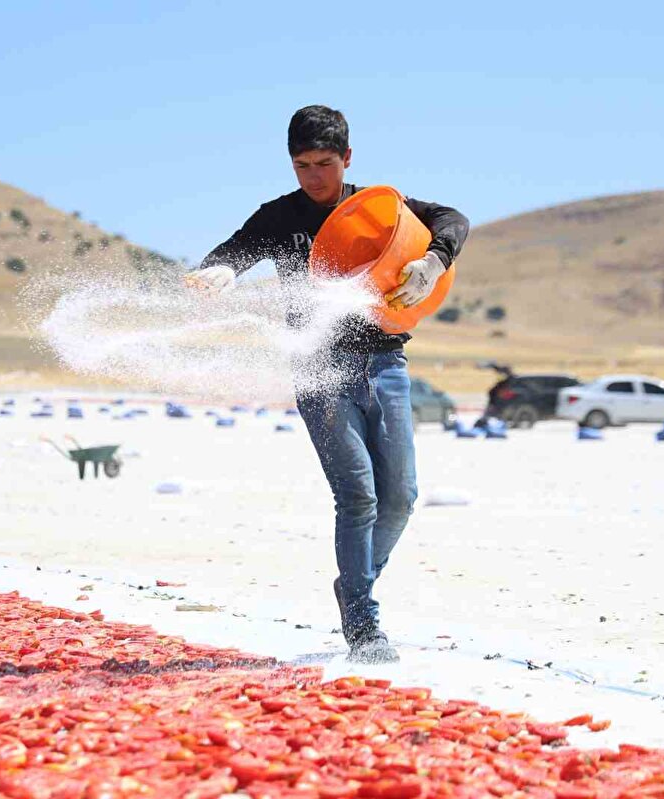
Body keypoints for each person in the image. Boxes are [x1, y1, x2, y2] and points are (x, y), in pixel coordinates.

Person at [185, 105, 469, 663]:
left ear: (347, 158)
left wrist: (434, 261)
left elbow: (454, 219)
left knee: (401, 498)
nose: (313, 176)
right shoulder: (278, 216)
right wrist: (219, 270)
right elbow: (235, 252)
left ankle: (353, 585)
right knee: (358, 494)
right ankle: (363, 623)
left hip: (386, 363)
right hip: (320, 370)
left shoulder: (380, 211)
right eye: (301, 164)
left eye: (324, 163)